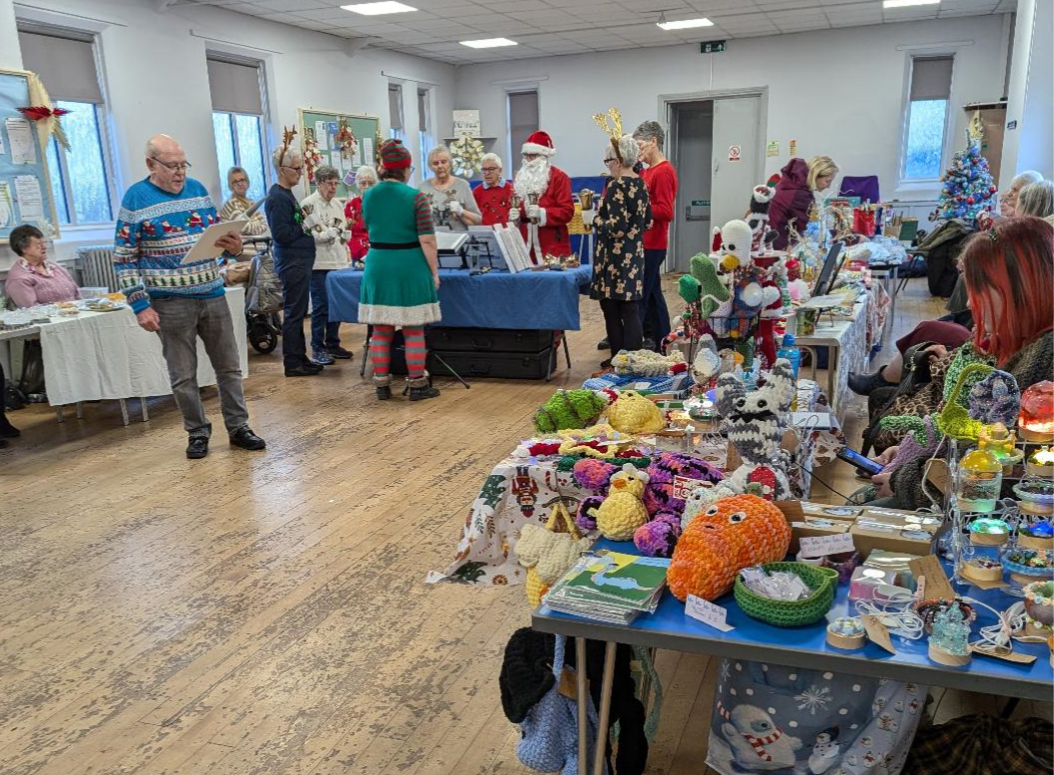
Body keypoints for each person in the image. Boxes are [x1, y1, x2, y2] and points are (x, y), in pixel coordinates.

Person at [870, 217, 1054, 509]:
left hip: (979, 515)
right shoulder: (1015, 347)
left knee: (866, 513)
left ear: (1020, 292)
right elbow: (963, 435)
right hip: (951, 494)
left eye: (979, 293)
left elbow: (989, 475)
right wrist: (908, 458)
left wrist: (903, 479)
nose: (970, 305)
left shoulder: (1041, 367)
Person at [114, 134, 265, 459]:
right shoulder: (136, 199)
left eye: (183, 165)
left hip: (211, 292)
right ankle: (197, 433)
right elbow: (124, 258)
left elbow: (216, 242)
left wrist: (234, 248)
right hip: (169, 301)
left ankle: (239, 427)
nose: (180, 172)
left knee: (229, 368)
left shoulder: (197, 191)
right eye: (172, 166)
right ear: (151, 165)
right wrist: (140, 305)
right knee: (183, 376)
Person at [358, 139, 441, 402]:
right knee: (413, 328)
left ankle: (382, 385)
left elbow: (369, 225)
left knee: (380, 329)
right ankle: (417, 384)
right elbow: (427, 240)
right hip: (408, 264)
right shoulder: (415, 197)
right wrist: (434, 272)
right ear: (405, 169)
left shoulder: (368, 195)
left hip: (377, 264)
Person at [591, 135, 652, 368]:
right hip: (635, 254)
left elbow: (616, 229)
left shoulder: (616, 186)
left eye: (608, 161)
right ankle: (634, 360)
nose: (608, 166)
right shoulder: (640, 183)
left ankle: (620, 359)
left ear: (618, 160)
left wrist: (595, 220)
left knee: (612, 308)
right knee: (630, 308)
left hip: (614, 258)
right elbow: (648, 222)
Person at [264, 141, 321, 377]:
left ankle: (300, 357)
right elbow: (282, 234)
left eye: (301, 168)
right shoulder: (277, 198)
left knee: (298, 312)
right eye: (296, 169)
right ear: (281, 169)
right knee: (294, 313)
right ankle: (292, 361)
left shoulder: (286, 195)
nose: (300, 173)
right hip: (292, 262)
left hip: (300, 261)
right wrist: (305, 225)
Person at [299, 165, 353, 366]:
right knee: (321, 307)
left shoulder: (337, 205)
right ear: (319, 183)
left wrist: (343, 235)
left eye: (336, 183)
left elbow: (342, 226)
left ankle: (332, 343)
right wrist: (324, 235)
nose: (333, 187)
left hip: (338, 261)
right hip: (319, 263)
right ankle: (317, 348)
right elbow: (307, 233)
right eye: (329, 183)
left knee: (335, 306)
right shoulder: (308, 204)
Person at [633, 120, 676, 351]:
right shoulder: (647, 172)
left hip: (653, 244)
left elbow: (666, 211)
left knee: (642, 297)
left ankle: (634, 347)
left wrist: (639, 208)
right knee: (652, 295)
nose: (639, 150)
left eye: (640, 145)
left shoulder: (664, 171)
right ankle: (663, 341)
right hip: (644, 243)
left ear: (653, 141)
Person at [510, 130, 575, 263]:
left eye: (532, 156)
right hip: (525, 244)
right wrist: (514, 216)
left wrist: (542, 213)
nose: (528, 160)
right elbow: (516, 207)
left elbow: (567, 212)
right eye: (525, 155)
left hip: (551, 243)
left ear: (543, 156)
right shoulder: (520, 178)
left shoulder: (559, 177)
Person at [769, 155, 839, 250]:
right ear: (816, 175)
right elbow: (810, 230)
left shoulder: (791, 183)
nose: (828, 187)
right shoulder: (800, 195)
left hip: (770, 240)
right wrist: (846, 237)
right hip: (778, 246)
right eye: (827, 181)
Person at [4, 225, 80, 308]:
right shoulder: (19, 278)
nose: (44, 247)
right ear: (23, 248)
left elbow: (77, 296)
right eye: (38, 244)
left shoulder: (56, 268)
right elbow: (33, 310)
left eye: (44, 243)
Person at [418, 146, 481, 232]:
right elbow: (412, 220)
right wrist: (423, 214)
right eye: (435, 163)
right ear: (430, 167)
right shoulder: (422, 187)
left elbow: (478, 220)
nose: (440, 166)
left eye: (444, 162)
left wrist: (461, 211)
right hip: (432, 241)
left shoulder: (462, 185)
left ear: (450, 163)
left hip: (459, 241)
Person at [217, 167, 270, 247]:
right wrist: (255, 223)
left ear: (247, 182)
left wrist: (252, 224)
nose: (240, 184)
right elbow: (245, 228)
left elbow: (264, 225)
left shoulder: (251, 202)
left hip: (256, 247)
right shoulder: (231, 203)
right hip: (241, 251)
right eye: (235, 182)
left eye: (242, 180)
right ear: (231, 185)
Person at [473, 153, 515, 226]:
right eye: (484, 169)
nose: (487, 173)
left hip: (505, 232)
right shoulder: (477, 191)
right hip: (485, 233)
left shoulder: (511, 189)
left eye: (491, 169)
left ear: (500, 170)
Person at [345, 165, 376, 263]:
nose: (367, 186)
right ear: (358, 185)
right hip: (357, 253)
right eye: (363, 183)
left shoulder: (380, 204)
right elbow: (348, 234)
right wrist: (362, 252)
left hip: (377, 251)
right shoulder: (351, 206)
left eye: (370, 183)